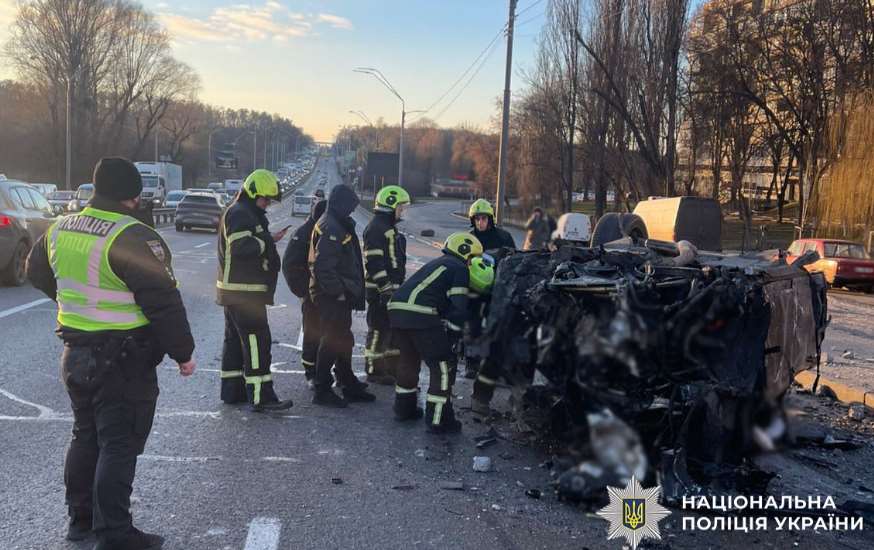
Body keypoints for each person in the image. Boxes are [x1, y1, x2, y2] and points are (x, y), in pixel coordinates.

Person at [26, 157, 196, 550]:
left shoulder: (60, 227)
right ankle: (115, 533)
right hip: (123, 358)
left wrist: (72, 300)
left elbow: (35, 271)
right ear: (134, 196)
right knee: (119, 443)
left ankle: (80, 523)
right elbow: (162, 300)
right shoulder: (132, 234)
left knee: (85, 436)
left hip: (75, 352)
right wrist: (182, 352)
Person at [388, 232, 483, 433]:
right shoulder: (459, 268)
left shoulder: (440, 263)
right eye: (473, 258)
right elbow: (458, 308)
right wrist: (454, 337)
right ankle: (439, 420)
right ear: (465, 252)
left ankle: (403, 409)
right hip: (420, 315)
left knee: (408, 360)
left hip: (396, 312)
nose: (473, 263)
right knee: (442, 366)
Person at [217, 169, 293, 413]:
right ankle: (262, 397)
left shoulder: (243, 211)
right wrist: (268, 241)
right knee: (257, 342)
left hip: (236, 291)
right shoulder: (241, 214)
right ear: (252, 193)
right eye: (265, 199)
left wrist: (267, 237)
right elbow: (241, 246)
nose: (267, 204)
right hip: (244, 292)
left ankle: (232, 391)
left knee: (234, 343)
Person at [309, 183, 375, 407]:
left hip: (338, 293)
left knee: (344, 338)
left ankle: (346, 380)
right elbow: (323, 267)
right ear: (340, 205)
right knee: (331, 340)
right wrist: (338, 292)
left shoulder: (336, 222)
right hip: (331, 295)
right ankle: (322, 389)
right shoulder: (332, 227)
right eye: (349, 207)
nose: (351, 211)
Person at [362, 185, 410, 385]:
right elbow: (374, 261)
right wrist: (385, 287)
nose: (402, 211)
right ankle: (374, 370)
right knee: (378, 329)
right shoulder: (376, 228)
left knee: (390, 331)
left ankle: (390, 368)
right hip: (380, 291)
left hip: (391, 289)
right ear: (390, 206)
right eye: (400, 207)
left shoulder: (387, 227)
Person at [281, 199, 327, 388]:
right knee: (312, 332)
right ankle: (311, 372)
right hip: (312, 294)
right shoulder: (304, 233)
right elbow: (290, 265)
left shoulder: (323, 231)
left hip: (327, 294)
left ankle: (331, 371)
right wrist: (304, 291)